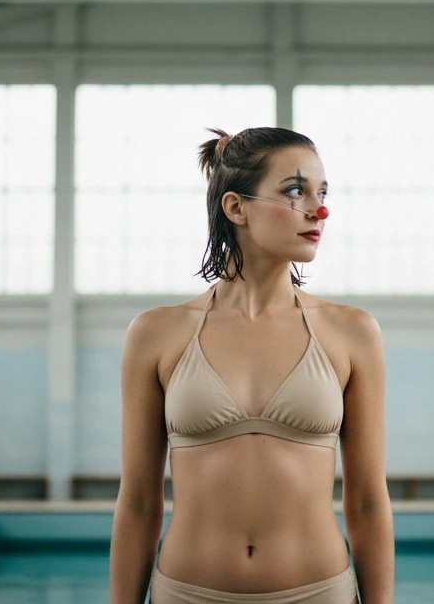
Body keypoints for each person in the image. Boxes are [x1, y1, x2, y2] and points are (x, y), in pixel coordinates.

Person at [110, 127, 393, 604]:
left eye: (322, 193)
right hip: (185, 592)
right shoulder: (157, 334)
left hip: (320, 592)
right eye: (295, 191)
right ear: (236, 208)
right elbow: (138, 503)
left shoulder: (353, 332)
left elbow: (366, 501)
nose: (319, 210)